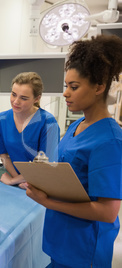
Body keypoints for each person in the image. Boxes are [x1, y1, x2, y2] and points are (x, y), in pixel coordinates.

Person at [26, 35, 122, 268]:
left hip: (83, 250)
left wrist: (48, 202)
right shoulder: (77, 126)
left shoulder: (109, 141)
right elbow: (72, 174)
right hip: (62, 240)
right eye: (65, 86)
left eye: (74, 87)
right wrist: (44, 172)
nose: (66, 93)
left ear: (99, 87)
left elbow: (108, 212)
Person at [0, 72, 60, 188]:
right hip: (18, 183)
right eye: (13, 94)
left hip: (41, 184)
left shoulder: (48, 122)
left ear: (37, 98)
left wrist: (12, 181)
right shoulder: (1, 120)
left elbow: (46, 165)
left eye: (23, 98)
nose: (16, 101)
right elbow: (4, 155)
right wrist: (17, 181)